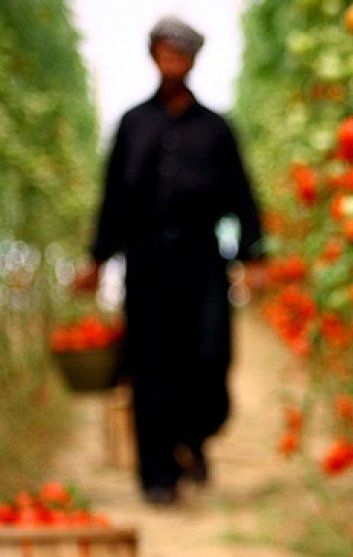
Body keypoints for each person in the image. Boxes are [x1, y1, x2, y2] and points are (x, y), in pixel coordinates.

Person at [74, 15, 265, 505]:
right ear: (153, 57)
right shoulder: (134, 125)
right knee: (151, 363)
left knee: (207, 357)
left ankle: (193, 440)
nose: (171, 60)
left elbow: (242, 196)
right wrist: (98, 258)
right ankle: (157, 475)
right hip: (147, 261)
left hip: (202, 260)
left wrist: (254, 255)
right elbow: (114, 197)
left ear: (193, 60)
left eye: (179, 53)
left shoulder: (217, 130)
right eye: (163, 52)